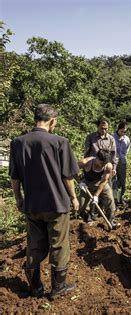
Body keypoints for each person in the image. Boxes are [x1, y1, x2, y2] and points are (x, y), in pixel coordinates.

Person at [9, 104, 79, 299]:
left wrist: (19, 199)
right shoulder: (60, 142)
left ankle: (36, 287)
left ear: (35, 119)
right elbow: (67, 176)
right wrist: (73, 198)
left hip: (32, 204)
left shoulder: (18, 142)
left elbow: (14, 177)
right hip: (56, 203)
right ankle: (58, 287)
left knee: (34, 243)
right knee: (59, 244)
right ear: (52, 121)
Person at [78, 150, 119, 228]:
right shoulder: (85, 162)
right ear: (96, 158)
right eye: (101, 163)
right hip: (87, 184)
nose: (102, 165)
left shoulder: (108, 166)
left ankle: (111, 220)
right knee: (82, 206)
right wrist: (80, 182)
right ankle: (88, 220)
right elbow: (72, 171)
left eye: (104, 164)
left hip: (101, 183)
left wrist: (96, 195)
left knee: (110, 200)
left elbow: (104, 181)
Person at [112, 121, 130, 206]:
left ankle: (121, 198)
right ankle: (114, 200)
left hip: (122, 162)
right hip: (112, 162)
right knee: (113, 182)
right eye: (122, 131)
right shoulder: (111, 137)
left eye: (125, 131)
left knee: (122, 182)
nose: (123, 133)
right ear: (118, 129)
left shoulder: (126, 139)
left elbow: (126, 151)